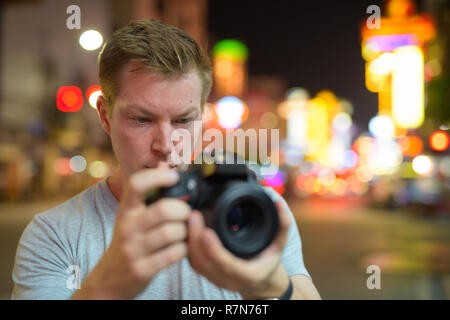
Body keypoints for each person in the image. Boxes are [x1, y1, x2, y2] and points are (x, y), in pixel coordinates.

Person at [11, 19, 321, 300]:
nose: (165, 145)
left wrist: (268, 286)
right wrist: (107, 287)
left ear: (202, 117)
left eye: (183, 121)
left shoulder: (253, 207)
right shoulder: (54, 234)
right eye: (142, 120)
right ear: (105, 116)